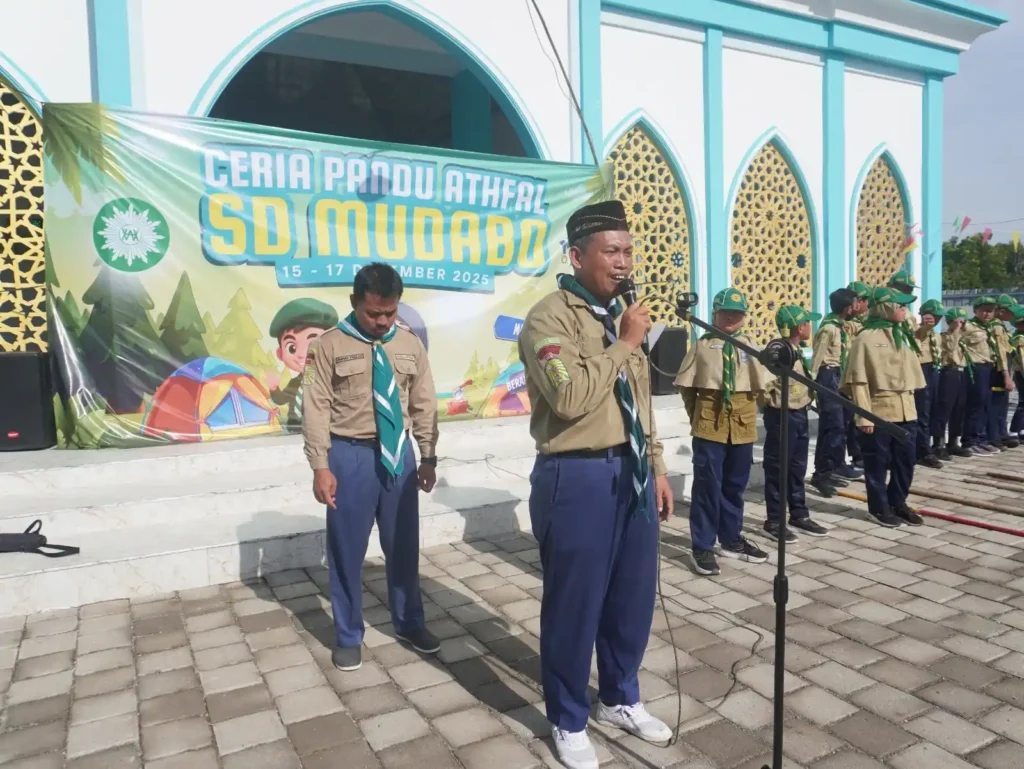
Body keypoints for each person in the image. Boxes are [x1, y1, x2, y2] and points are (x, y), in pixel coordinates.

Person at [517, 200, 674, 769]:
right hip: (576, 474)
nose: (624, 261)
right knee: (574, 604)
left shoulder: (623, 315)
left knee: (632, 595)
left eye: (629, 251)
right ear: (577, 256)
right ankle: (567, 717)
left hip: (632, 470)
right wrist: (625, 343)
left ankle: (620, 697)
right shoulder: (549, 319)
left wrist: (657, 466)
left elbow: (640, 400)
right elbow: (569, 397)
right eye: (611, 251)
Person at [302, 263, 440, 672]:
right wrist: (320, 465)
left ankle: (409, 622)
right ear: (354, 302)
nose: (382, 322)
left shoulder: (409, 344)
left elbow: (424, 402)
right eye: (373, 313)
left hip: (399, 456)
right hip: (350, 456)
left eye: (390, 313)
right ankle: (348, 635)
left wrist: (428, 455)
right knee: (347, 550)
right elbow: (315, 407)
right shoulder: (327, 346)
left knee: (403, 545)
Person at [676, 287, 771, 577]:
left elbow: (761, 387)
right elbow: (687, 389)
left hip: (742, 425)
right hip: (710, 424)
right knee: (707, 486)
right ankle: (702, 545)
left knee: (735, 485)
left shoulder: (749, 346)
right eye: (726, 312)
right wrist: (698, 417)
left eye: (737, 313)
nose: (731, 318)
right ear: (715, 314)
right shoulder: (703, 345)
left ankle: (731, 539)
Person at [841, 286, 926, 528]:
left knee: (906, 462)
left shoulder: (903, 334)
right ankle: (878, 508)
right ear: (885, 307)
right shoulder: (866, 338)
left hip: (906, 409)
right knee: (877, 464)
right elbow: (858, 380)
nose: (904, 310)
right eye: (899, 305)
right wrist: (864, 417)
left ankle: (898, 502)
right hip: (879, 412)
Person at [762, 305, 829, 542]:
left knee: (798, 468)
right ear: (800, 327)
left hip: (800, 414)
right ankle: (774, 521)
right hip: (782, 417)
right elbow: (763, 387)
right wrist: (773, 407)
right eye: (808, 323)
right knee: (778, 470)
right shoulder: (777, 354)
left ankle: (799, 514)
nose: (811, 326)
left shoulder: (797, 351)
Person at [810, 288, 858, 497]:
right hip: (827, 376)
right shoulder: (828, 328)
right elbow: (817, 358)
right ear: (847, 308)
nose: (856, 308)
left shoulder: (842, 327)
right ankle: (821, 475)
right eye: (854, 304)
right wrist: (812, 386)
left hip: (840, 375)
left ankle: (832, 469)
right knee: (833, 426)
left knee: (841, 425)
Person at [267, 298, 340, 431]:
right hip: (294, 429)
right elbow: (282, 399)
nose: (301, 354)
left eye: (312, 344)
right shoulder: (295, 383)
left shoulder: (329, 380)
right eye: (292, 348)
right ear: (280, 353)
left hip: (322, 431)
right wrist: (274, 389)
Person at [960, 296, 1003, 456]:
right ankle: (969, 441)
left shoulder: (990, 327)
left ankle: (981, 439)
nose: (987, 314)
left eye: (990, 311)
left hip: (989, 367)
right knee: (975, 405)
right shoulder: (967, 326)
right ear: (976, 310)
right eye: (984, 310)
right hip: (975, 367)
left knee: (985, 405)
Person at [936, 307, 972, 459]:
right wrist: (956, 330)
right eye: (958, 322)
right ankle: (938, 444)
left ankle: (953, 442)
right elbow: (950, 349)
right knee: (945, 409)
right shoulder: (944, 337)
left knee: (959, 409)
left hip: (962, 372)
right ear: (949, 322)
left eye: (963, 322)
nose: (961, 324)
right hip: (949, 372)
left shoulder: (964, 336)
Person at [843, 281, 872, 471]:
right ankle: (855, 454)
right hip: (850, 372)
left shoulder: (866, 321)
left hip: (864, 371)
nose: (867, 305)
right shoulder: (847, 324)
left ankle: (862, 452)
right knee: (851, 417)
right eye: (864, 300)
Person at [914, 299, 945, 468]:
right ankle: (922, 451)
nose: (937, 320)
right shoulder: (918, 331)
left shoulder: (936, 335)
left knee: (934, 409)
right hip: (922, 369)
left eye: (939, 317)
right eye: (934, 316)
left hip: (934, 369)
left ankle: (933, 445)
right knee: (923, 412)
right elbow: (920, 335)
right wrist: (925, 327)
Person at [990, 295, 1019, 449]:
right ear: (1001, 311)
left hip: (1004, 367)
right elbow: (1001, 353)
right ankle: (995, 437)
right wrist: (1007, 376)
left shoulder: (1002, 326)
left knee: (1002, 403)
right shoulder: (996, 327)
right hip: (998, 369)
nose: (1013, 315)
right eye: (1011, 312)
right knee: (996, 404)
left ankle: (1001, 433)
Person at [1010, 304, 1024, 441]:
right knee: (1022, 403)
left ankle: (1021, 430)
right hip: (1021, 373)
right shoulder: (1019, 338)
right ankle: (1014, 430)